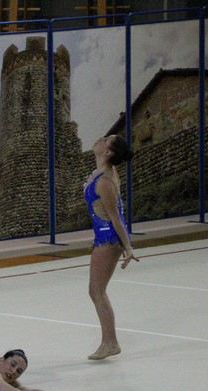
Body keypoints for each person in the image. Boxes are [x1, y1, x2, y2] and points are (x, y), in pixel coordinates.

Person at [84, 134, 138, 361]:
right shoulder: (99, 174)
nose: (99, 138)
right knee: (96, 291)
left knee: (97, 291)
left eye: (105, 140)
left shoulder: (105, 181)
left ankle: (110, 342)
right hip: (104, 236)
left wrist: (128, 247)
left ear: (108, 152)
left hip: (109, 239)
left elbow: (116, 217)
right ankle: (110, 341)